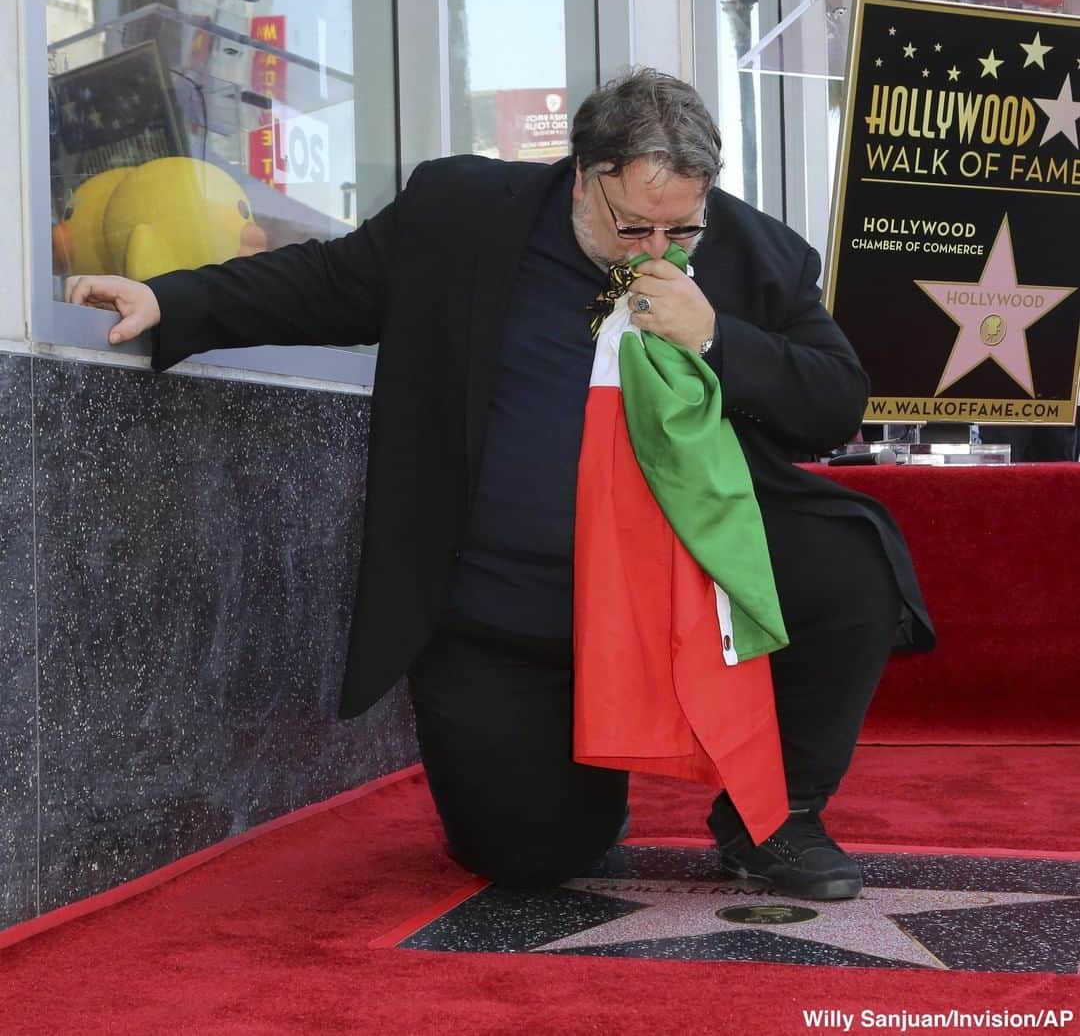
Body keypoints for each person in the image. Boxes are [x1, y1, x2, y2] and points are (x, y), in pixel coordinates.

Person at [66, 69, 934, 901]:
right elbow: (322, 283)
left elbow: (833, 399)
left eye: (683, 229)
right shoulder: (465, 214)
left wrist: (718, 338)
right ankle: (579, 768)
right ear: (583, 178)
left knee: (852, 563)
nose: (659, 250)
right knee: (530, 853)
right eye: (634, 227)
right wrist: (169, 302)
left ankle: (772, 816)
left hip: (682, 584)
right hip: (510, 611)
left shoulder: (753, 250)